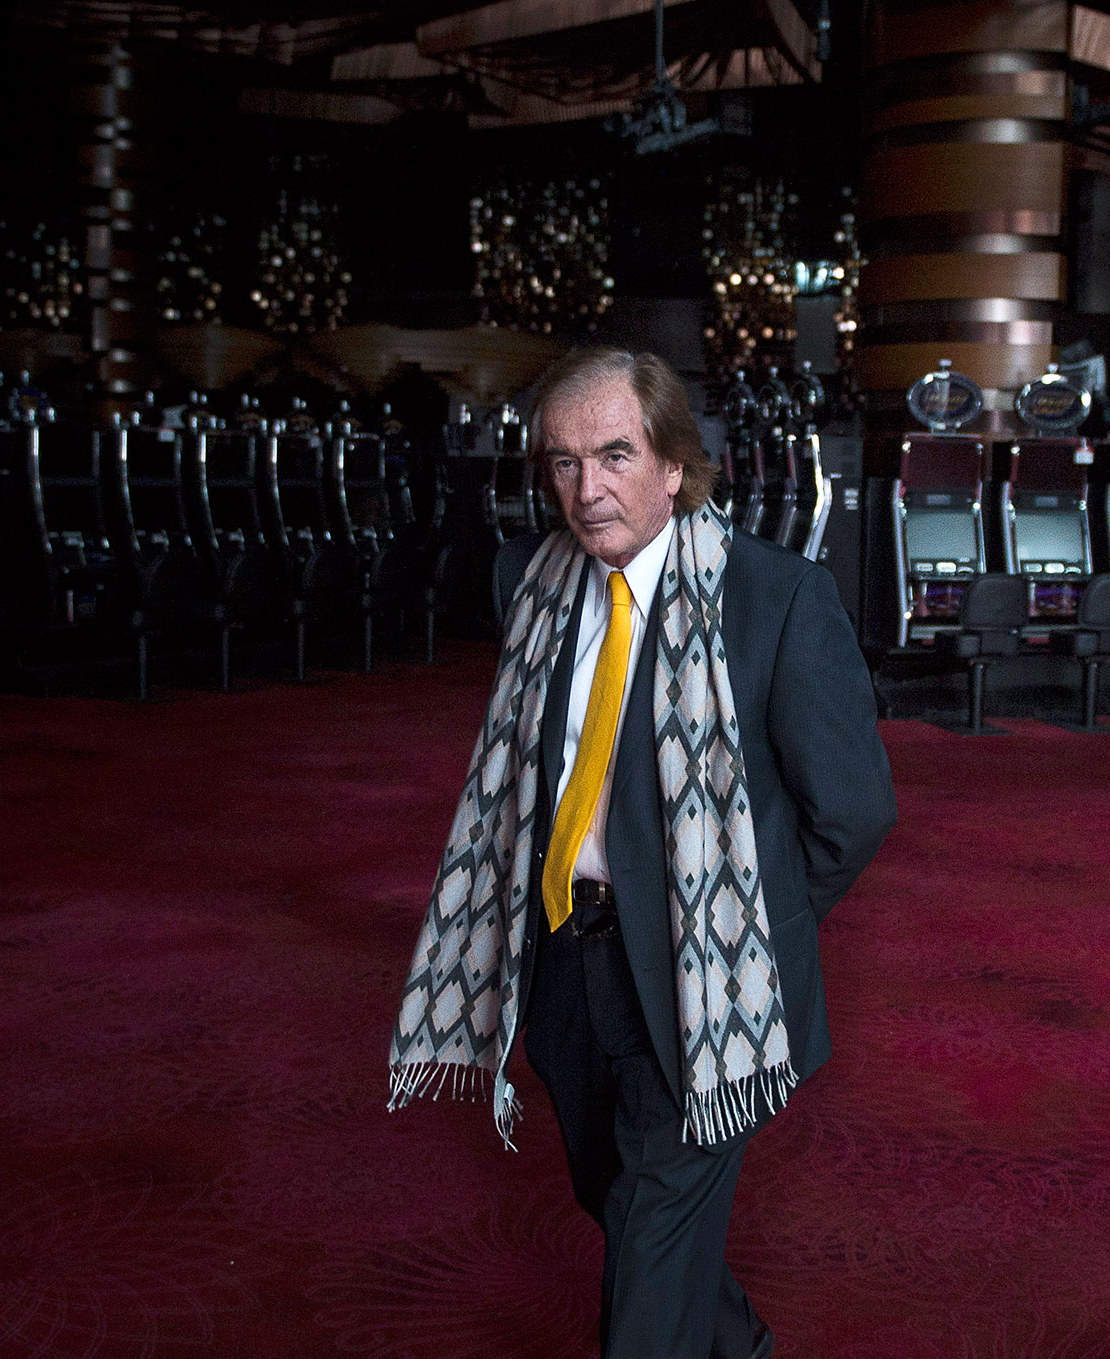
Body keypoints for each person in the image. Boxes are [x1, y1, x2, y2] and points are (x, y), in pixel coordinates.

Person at [387, 346, 897, 1359]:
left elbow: (853, 811)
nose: (587, 489)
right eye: (563, 463)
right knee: (616, 1198)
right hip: (570, 957)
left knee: (652, 1241)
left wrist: (745, 919)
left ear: (673, 464)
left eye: (614, 454)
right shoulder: (532, 588)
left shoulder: (775, 598)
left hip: (707, 982)